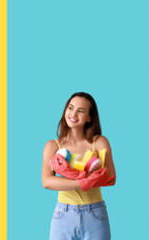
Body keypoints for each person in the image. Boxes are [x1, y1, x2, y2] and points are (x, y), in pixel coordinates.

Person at [42, 92, 117, 240]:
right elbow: (47, 182)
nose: (73, 114)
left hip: (95, 214)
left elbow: (110, 178)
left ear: (89, 117)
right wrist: (85, 181)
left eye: (81, 111)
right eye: (70, 108)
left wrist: (77, 178)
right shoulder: (53, 146)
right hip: (63, 215)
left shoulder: (99, 142)